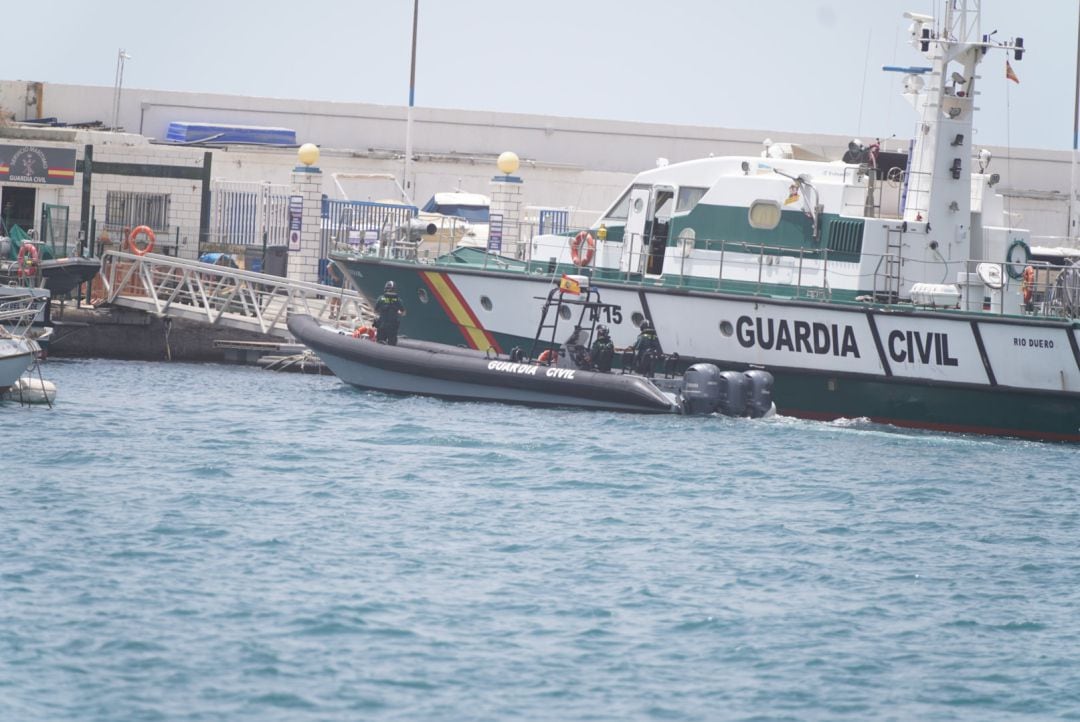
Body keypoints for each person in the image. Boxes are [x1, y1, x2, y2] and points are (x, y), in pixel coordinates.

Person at [373, 280, 405, 345]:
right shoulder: (398, 300)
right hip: (392, 327)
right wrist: (397, 312)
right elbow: (403, 313)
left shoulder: (380, 299)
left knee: (380, 344)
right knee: (392, 345)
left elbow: (375, 310)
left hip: (382, 326)